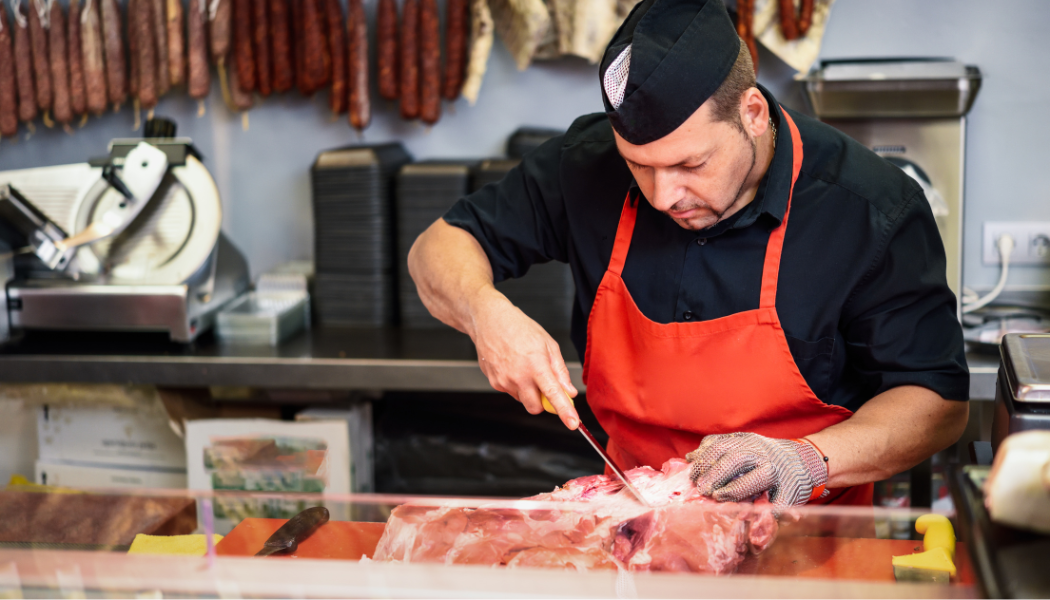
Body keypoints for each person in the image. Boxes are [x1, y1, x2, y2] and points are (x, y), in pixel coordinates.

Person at [408, 0, 969, 506]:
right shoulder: (585, 165)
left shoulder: (868, 207)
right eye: (639, 166)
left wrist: (803, 460)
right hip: (635, 531)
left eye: (690, 165)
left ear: (752, 113)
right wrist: (486, 314)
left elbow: (935, 402)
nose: (662, 195)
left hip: (808, 538)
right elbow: (438, 248)